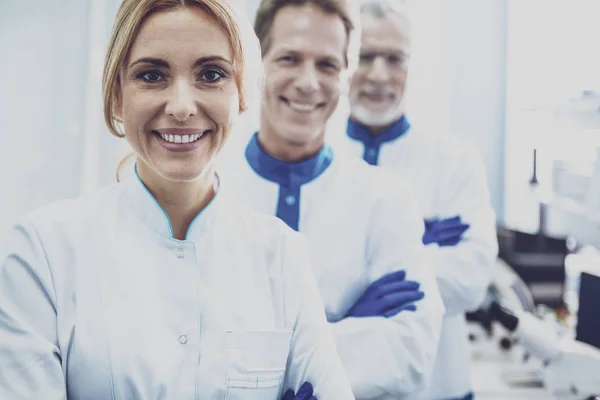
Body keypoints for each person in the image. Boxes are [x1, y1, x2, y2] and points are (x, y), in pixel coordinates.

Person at [0, 1, 356, 399]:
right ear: (117, 95)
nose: (182, 107)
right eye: (152, 75)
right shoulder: (42, 253)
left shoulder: (282, 255)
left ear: (240, 92)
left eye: (211, 74)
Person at [218, 1, 445, 399]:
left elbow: (411, 351)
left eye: (327, 65)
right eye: (289, 58)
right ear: (254, 64)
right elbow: (185, 345)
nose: (308, 82)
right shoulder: (210, 191)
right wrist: (346, 330)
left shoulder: (387, 200)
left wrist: (259, 360)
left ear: (346, 76)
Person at [334, 1, 499, 399]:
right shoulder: (315, 155)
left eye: (395, 59)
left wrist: (352, 276)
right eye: (364, 56)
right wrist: (420, 245)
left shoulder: (454, 159)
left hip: (438, 387)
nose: (379, 74)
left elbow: (471, 279)